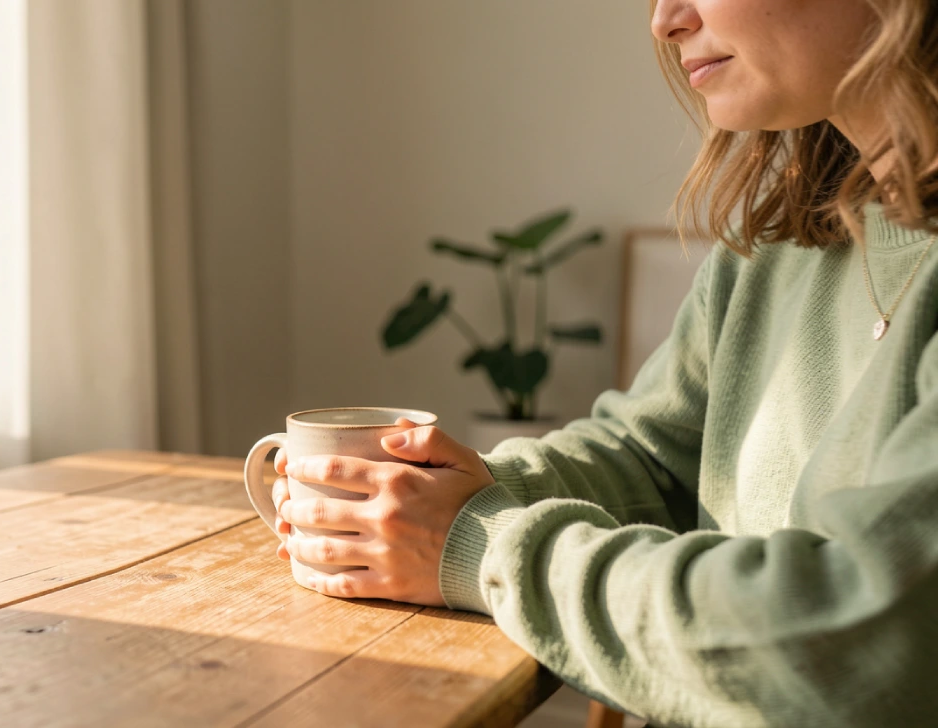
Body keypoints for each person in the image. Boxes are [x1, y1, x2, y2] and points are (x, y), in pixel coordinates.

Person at [271, 0, 938, 725]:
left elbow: (858, 642)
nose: (665, 19)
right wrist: (440, 493)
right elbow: (651, 459)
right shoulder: (779, 249)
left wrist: (476, 540)